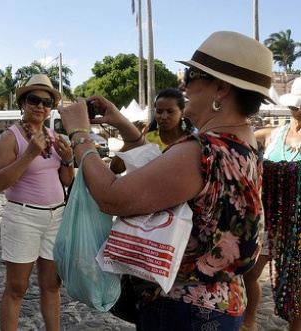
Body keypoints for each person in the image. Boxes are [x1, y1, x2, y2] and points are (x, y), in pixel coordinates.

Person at [58, 31, 269, 330]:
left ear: (220, 88)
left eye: (193, 75)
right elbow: (161, 170)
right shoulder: (242, 145)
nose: (184, 84)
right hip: (224, 302)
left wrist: (79, 134)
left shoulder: (203, 151)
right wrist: (124, 124)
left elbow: (111, 196)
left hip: (183, 310)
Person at [0, 74, 75, 330]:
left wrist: (69, 159)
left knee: (51, 286)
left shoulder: (54, 136)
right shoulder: (11, 136)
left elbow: (67, 180)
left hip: (55, 218)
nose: (40, 106)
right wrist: (28, 155)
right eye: (34, 100)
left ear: (51, 108)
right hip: (23, 218)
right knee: (17, 288)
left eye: (46, 102)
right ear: (23, 103)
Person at [242, 79, 301, 331]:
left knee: (297, 288)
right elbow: (238, 139)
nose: (296, 111)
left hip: (298, 227)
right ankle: (250, 322)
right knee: (250, 273)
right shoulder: (272, 134)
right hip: (268, 221)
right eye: (295, 106)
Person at [110, 88, 194, 174]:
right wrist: (131, 141)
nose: (164, 116)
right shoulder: (146, 139)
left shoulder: (193, 142)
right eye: (159, 112)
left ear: (182, 112)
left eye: (170, 112)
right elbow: (115, 169)